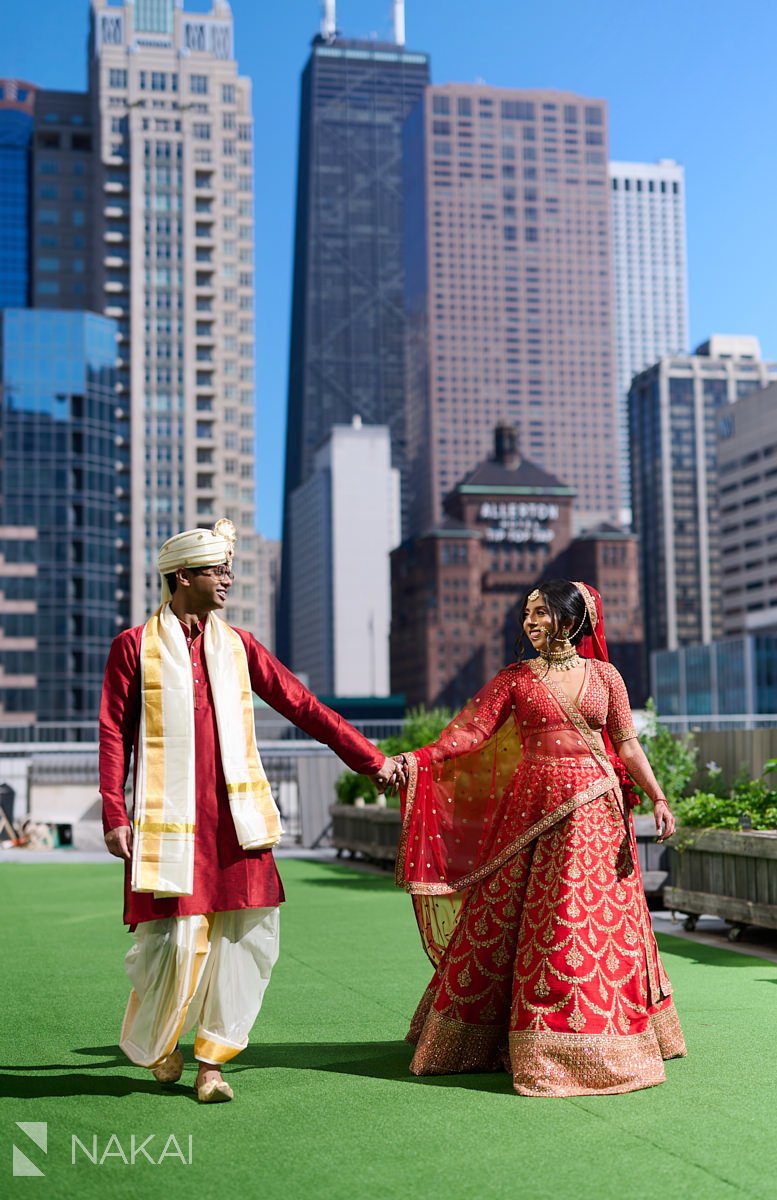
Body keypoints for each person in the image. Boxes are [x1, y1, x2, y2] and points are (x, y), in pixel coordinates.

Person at [100, 519, 397, 1102]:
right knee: (173, 940)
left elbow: (303, 705)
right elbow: (114, 733)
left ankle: (212, 1062)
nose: (227, 581)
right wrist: (115, 811)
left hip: (238, 818)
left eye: (228, 569)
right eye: (217, 571)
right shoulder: (133, 646)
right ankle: (163, 1043)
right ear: (182, 576)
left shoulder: (238, 646)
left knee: (244, 936)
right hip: (172, 822)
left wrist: (370, 760)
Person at [386, 580, 686, 1097]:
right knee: (516, 919)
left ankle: (601, 1038)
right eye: (527, 613)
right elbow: (469, 734)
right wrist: (416, 761)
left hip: (597, 812)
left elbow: (627, 743)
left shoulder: (607, 677)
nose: (530, 621)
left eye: (541, 612)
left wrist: (658, 796)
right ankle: (501, 1039)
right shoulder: (516, 679)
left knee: (582, 918)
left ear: (570, 621)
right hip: (531, 812)